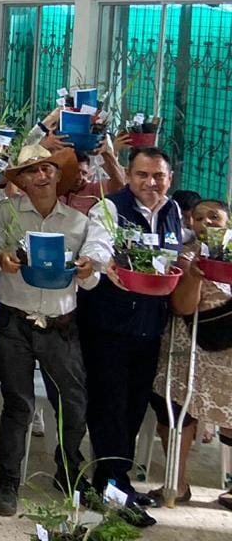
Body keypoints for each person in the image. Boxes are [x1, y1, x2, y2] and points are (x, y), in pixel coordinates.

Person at [0, 145, 112, 517]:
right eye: (31, 171)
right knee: (18, 404)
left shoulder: (78, 222)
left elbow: (91, 279)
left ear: (57, 174)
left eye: (47, 169)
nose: (41, 176)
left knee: (73, 403)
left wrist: (88, 270)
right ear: (21, 180)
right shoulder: (5, 212)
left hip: (61, 325)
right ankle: (8, 480)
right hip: (14, 322)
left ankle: (68, 471)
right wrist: (0, 258)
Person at [80, 147, 184, 522]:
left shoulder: (172, 211)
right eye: (142, 174)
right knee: (109, 406)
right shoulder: (110, 208)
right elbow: (97, 245)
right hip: (109, 326)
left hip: (150, 326)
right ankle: (114, 487)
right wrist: (102, 261)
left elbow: (174, 253)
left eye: (158, 176)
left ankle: (111, 481)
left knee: (134, 407)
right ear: (128, 175)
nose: (150, 182)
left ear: (169, 178)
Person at [147, 198, 232, 509]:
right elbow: (182, 306)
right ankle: (177, 483)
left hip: (229, 347)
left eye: (215, 217)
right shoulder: (184, 256)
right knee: (174, 406)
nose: (207, 222)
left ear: (227, 223)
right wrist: (195, 275)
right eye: (199, 217)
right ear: (190, 223)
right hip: (191, 344)